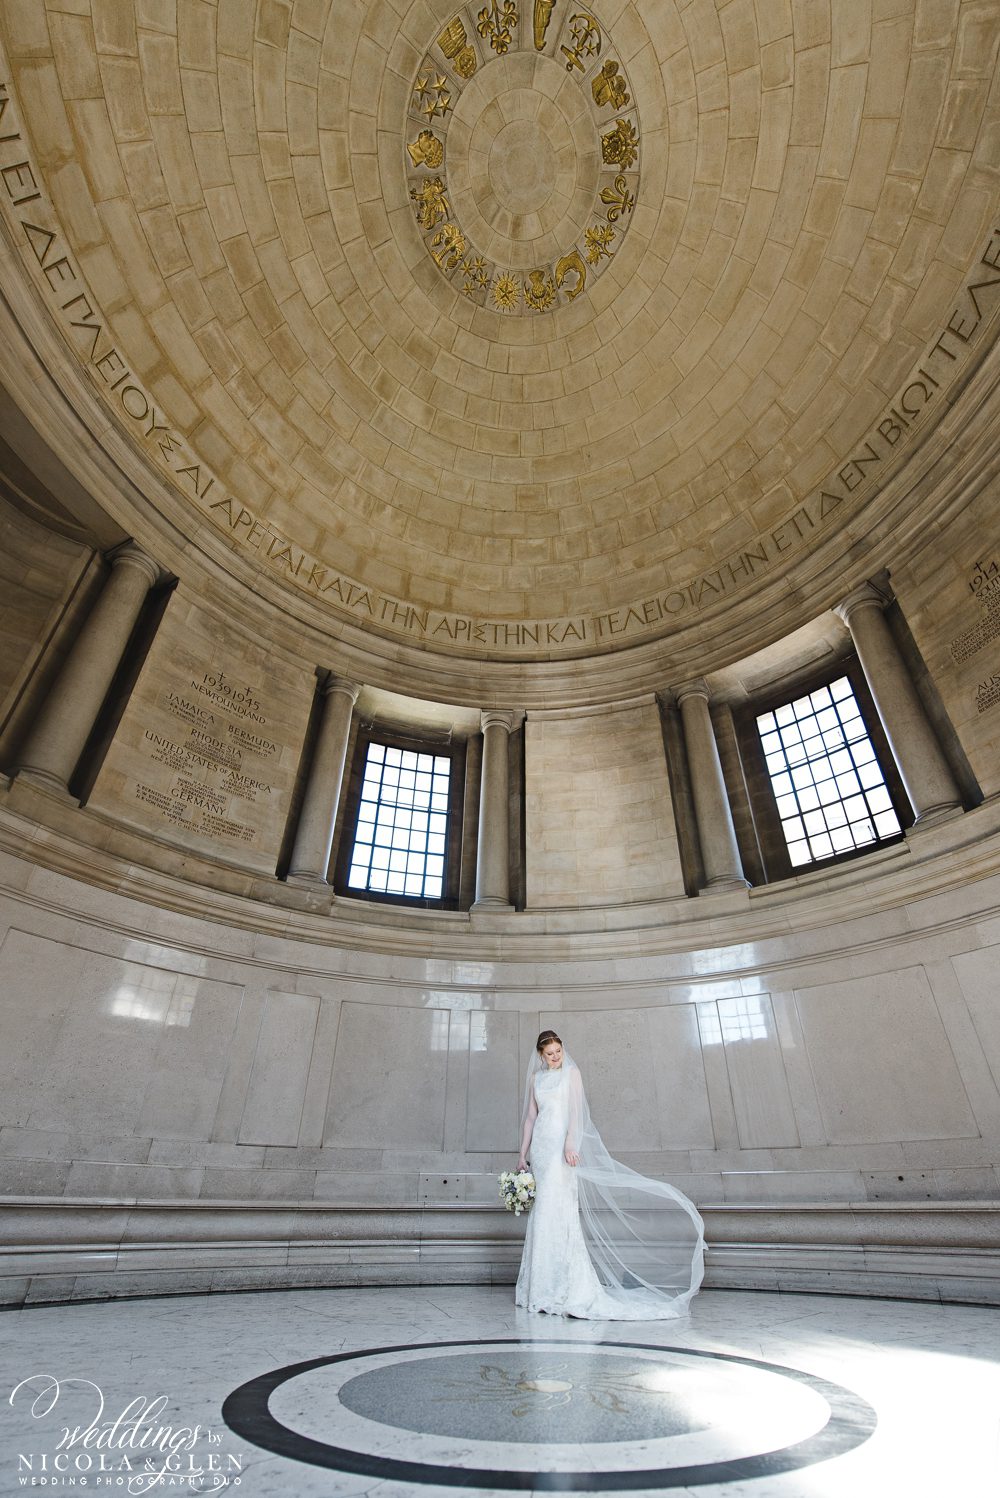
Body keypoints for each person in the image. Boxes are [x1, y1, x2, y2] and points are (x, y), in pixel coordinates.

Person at [515, 1029, 704, 1319]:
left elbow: (576, 1113)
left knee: (560, 1212)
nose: (555, 1058)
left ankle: (563, 1288)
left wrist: (570, 1142)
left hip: (560, 1148)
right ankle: (539, 1289)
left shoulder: (572, 1075)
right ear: (540, 1055)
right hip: (541, 1149)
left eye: (558, 1052)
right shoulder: (536, 1078)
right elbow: (530, 1117)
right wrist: (521, 1154)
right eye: (549, 1054)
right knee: (541, 1214)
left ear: (563, 1050)